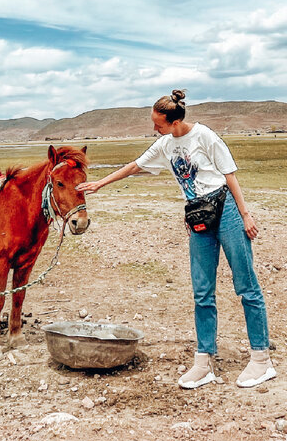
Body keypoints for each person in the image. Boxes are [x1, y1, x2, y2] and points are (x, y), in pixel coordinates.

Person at [78, 89, 275, 389]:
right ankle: (204, 361)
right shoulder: (164, 145)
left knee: (245, 284)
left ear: (174, 121)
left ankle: (261, 360)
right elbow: (135, 166)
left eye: (158, 124)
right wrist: (100, 184)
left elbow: (230, 174)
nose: (154, 129)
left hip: (227, 210)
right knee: (202, 291)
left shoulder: (205, 136)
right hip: (198, 216)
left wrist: (246, 215)